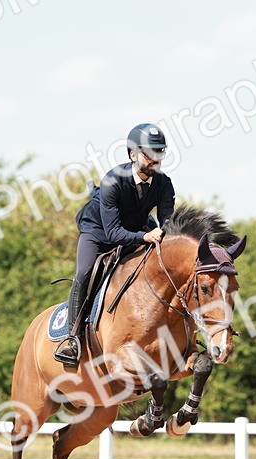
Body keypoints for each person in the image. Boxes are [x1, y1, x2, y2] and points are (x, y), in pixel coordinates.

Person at [54, 123, 175, 365]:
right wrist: (144, 237)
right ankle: (71, 339)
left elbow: (168, 226)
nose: (155, 159)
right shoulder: (112, 181)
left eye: (159, 152)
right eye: (149, 153)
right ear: (132, 154)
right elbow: (112, 234)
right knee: (85, 271)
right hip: (99, 231)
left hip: (137, 226)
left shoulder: (164, 184)